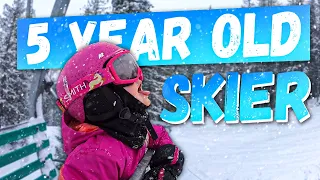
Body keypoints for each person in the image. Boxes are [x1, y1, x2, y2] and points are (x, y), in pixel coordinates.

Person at [55, 42, 184, 180]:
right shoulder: (94, 157)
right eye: (126, 73)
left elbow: (157, 133)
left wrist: (168, 157)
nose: (139, 78)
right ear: (101, 98)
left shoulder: (131, 130)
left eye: (133, 67)